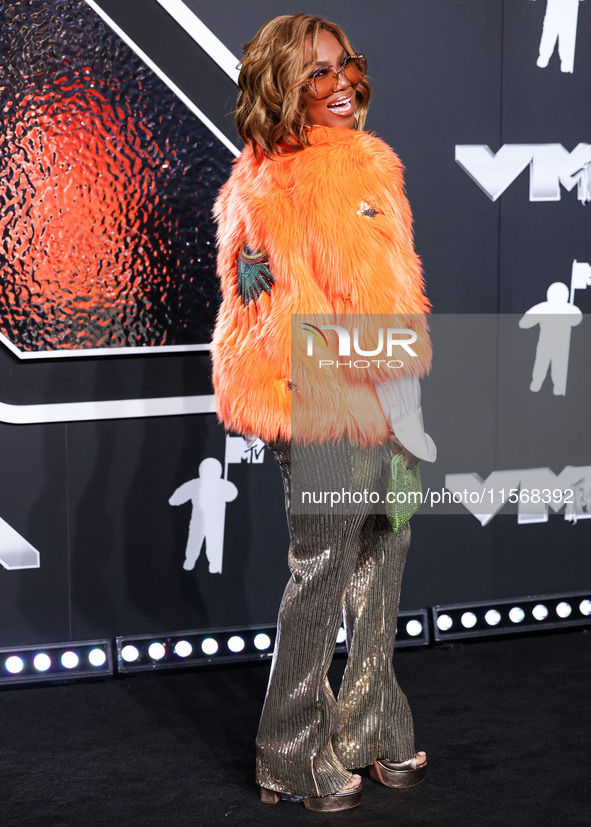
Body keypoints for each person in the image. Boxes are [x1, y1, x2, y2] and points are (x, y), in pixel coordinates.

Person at [211, 13, 435, 813]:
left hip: (375, 391)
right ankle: (289, 749)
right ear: (281, 87)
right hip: (321, 403)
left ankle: (370, 718)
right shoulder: (283, 178)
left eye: (346, 66)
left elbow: (391, 301)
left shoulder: (361, 163)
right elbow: (279, 315)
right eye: (317, 73)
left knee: (387, 540)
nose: (341, 84)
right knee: (326, 566)